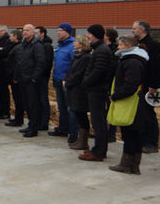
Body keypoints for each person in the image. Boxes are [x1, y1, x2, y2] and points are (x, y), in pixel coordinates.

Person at [108, 35, 149, 175]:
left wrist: (115, 95)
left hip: (131, 102)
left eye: (120, 45)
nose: (118, 47)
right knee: (133, 133)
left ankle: (127, 164)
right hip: (132, 101)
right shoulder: (131, 59)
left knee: (130, 132)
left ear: (127, 46)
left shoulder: (132, 62)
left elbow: (131, 84)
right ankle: (133, 164)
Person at [79, 24, 116, 162]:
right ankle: (97, 149)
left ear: (94, 35)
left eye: (88, 33)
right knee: (97, 121)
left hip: (97, 90)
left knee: (98, 122)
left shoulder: (101, 50)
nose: (87, 36)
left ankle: (99, 152)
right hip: (96, 89)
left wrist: (86, 81)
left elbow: (99, 71)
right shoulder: (99, 49)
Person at [132, 20, 160, 154]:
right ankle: (142, 140)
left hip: (147, 86)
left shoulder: (153, 45)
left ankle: (152, 143)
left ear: (142, 30)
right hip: (138, 85)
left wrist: (153, 84)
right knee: (139, 115)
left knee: (148, 114)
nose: (132, 30)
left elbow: (157, 66)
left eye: (134, 28)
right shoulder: (137, 45)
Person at [14, 24, 47, 137]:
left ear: (33, 33)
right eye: (24, 30)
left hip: (31, 80)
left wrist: (34, 78)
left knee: (33, 105)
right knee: (27, 104)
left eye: (27, 30)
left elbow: (40, 63)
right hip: (23, 79)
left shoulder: (37, 45)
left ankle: (34, 128)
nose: (25, 32)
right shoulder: (23, 44)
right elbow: (20, 61)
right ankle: (30, 125)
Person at [64, 34, 91, 151]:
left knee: (81, 115)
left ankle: (83, 141)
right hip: (72, 89)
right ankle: (80, 140)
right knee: (77, 113)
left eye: (76, 42)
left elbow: (79, 74)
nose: (74, 43)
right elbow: (70, 71)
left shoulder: (85, 57)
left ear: (82, 43)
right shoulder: (77, 56)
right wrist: (66, 79)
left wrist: (68, 82)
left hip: (79, 91)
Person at [50, 23, 76, 140]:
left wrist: (68, 79)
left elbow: (74, 65)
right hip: (58, 80)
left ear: (67, 32)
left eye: (60, 30)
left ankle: (73, 132)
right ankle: (63, 129)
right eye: (57, 30)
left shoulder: (72, 46)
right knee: (61, 107)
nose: (58, 32)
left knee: (70, 108)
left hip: (67, 82)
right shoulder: (60, 46)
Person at [0, 25, 15, 119]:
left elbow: (4, 52)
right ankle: (0, 110)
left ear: (4, 31)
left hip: (4, 70)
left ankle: (5, 112)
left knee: (4, 92)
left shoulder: (7, 40)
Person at [4, 30, 24, 126]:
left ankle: (18, 119)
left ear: (16, 37)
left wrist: (15, 77)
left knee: (18, 99)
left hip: (16, 77)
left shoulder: (18, 48)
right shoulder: (15, 47)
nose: (9, 38)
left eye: (11, 36)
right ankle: (17, 118)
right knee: (16, 98)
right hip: (13, 76)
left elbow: (18, 63)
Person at [37, 26, 55, 132]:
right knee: (38, 100)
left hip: (43, 77)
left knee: (43, 99)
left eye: (36, 32)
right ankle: (39, 120)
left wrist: (41, 73)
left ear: (42, 33)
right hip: (38, 76)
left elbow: (47, 63)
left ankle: (44, 122)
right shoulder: (38, 44)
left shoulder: (47, 46)